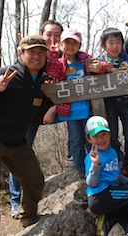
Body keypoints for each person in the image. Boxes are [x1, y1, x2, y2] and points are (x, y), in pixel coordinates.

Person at [0, 34, 55, 235]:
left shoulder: (43, 82)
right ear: (21, 53)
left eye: (41, 53)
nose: (36, 56)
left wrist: (50, 108)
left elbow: (39, 110)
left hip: (17, 141)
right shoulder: (6, 73)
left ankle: (28, 216)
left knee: (34, 179)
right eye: (32, 52)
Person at [9, 20, 64, 219]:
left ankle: (81, 167)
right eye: (49, 34)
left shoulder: (66, 56)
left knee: (83, 118)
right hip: (29, 113)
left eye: (57, 35)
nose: (53, 39)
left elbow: (70, 88)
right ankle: (16, 200)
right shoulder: (34, 55)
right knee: (19, 152)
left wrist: (55, 107)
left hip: (54, 109)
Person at [46, 28, 106, 178]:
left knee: (90, 140)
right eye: (67, 42)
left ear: (79, 46)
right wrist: (53, 54)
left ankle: (93, 166)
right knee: (75, 141)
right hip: (70, 111)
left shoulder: (85, 59)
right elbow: (51, 72)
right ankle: (79, 169)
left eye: (74, 43)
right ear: (61, 44)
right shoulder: (60, 62)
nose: (70, 46)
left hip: (87, 108)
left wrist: (100, 67)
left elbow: (101, 65)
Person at [84, 116, 128, 236]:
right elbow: (91, 183)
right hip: (100, 196)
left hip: (111, 193)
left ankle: (108, 222)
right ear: (89, 139)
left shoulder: (112, 152)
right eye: (96, 136)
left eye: (104, 134)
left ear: (110, 134)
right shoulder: (92, 157)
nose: (101, 139)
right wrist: (96, 165)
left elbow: (117, 176)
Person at [98, 27, 128, 180]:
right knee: (112, 135)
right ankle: (119, 162)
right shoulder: (100, 62)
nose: (115, 46)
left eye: (118, 42)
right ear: (103, 46)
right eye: (111, 43)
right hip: (109, 103)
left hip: (127, 101)